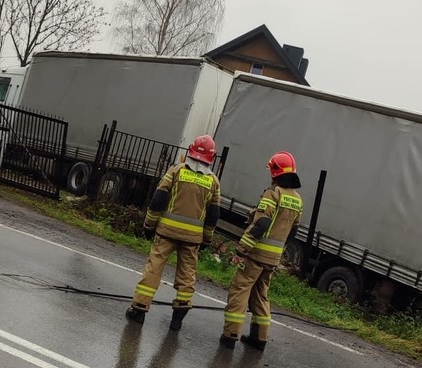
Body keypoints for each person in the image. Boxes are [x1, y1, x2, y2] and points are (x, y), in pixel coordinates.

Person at [126, 135, 221, 331]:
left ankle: (139, 309)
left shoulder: (176, 171)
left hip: (166, 232)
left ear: (190, 151)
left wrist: (149, 225)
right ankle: (177, 319)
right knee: (187, 276)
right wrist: (207, 239)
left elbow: (158, 199)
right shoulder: (213, 182)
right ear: (212, 157)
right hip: (192, 238)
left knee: (154, 268)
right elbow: (213, 215)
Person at [220, 151, 303, 350]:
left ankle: (231, 335)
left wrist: (242, 249)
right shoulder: (298, 199)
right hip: (273, 258)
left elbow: (261, 223)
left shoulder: (273, 193)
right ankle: (259, 338)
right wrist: (278, 250)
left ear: (275, 171)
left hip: (256, 254)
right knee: (260, 295)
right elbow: (293, 231)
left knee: (240, 290)